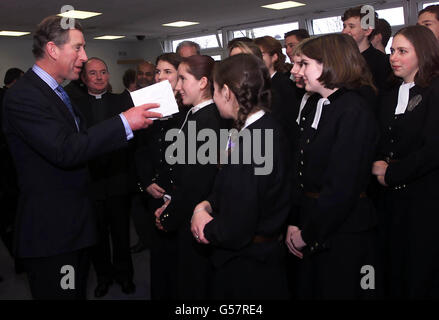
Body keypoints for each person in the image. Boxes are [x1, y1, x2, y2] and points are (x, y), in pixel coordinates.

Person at [1, 15, 161, 300]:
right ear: (53, 49)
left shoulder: (55, 92)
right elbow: (66, 149)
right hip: (53, 234)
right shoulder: (26, 96)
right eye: (78, 48)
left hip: (73, 226)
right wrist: (124, 122)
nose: (84, 56)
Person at [191, 53, 291, 299]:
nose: (213, 98)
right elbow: (231, 187)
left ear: (226, 91)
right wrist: (207, 204)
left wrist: (205, 225)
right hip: (260, 255)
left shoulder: (254, 142)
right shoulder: (259, 126)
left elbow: (237, 227)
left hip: (249, 265)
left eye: (214, 90)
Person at [287, 33, 379, 299]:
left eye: (303, 63)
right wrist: (295, 221)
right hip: (314, 222)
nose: (295, 70)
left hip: (344, 232)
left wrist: (309, 233)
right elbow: (300, 169)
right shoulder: (317, 104)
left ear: (329, 64)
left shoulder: (353, 111)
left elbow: (342, 186)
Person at [372, 25, 439, 298]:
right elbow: (380, 138)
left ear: (422, 54)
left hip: (424, 199)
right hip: (390, 201)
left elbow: (433, 149)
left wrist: (392, 173)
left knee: (421, 271)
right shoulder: (389, 95)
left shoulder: (435, 92)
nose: (393, 57)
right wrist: (378, 163)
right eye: (392, 51)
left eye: (402, 51)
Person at [154, 55, 224, 299]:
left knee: (196, 284)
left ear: (203, 82)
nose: (177, 86)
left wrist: (171, 212)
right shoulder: (193, 115)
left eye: (183, 78)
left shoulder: (208, 120)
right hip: (186, 209)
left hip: (196, 214)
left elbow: (197, 182)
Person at [74, 57, 136, 297]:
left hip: (118, 178)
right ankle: (103, 276)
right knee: (97, 236)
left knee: (122, 234)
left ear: (109, 75)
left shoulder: (123, 101)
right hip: (91, 183)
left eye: (103, 72)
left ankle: (125, 276)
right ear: (83, 78)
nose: (99, 77)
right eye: (93, 73)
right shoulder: (75, 105)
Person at [135, 52, 187, 299]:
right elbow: (142, 148)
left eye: (168, 71)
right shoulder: (150, 105)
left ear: (180, 76)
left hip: (179, 193)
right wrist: (147, 182)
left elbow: (188, 155)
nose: (160, 76)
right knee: (159, 256)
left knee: (182, 260)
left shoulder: (189, 108)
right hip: (155, 191)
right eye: (158, 71)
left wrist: (169, 186)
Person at [254, 36, 298, 146]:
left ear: (274, 57)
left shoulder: (284, 84)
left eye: (261, 55)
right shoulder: (256, 85)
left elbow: (287, 123)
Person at [342, 5, 392, 93]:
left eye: (351, 26)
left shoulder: (382, 61)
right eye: (344, 26)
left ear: (367, 31)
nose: (344, 31)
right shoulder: (340, 60)